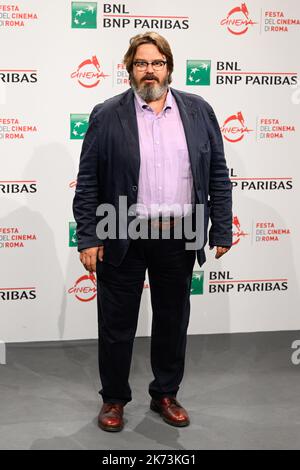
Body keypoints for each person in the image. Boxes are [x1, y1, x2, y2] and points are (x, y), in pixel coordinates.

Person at [73, 32, 232, 432]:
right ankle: (113, 399)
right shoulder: (107, 113)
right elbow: (88, 179)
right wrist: (89, 236)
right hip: (119, 228)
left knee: (172, 319)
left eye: (157, 63)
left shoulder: (198, 111)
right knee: (115, 323)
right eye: (141, 63)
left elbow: (216, 172)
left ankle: (165, 393)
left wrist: (223, 228)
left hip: (181, 233)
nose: (149, 71)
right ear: (129, 69)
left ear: (169, 68)